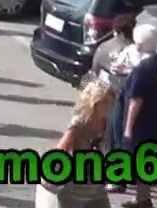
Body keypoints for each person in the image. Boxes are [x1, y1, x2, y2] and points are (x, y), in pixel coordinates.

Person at [34, 80, 114, 208]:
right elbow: (62, 149)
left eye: (111, 102)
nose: (110, 107)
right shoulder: (79, 122)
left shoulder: (107, 123)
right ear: (95, 103)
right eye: (106, 103)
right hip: (73, 185)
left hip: (95, 185)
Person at [121, 24, 157, 208]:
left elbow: (136, 100)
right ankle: (142, 198)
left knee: (140, 160)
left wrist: (128, 127)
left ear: (139, 44)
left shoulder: (143, 68)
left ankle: (143, 200)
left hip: (142, 122)